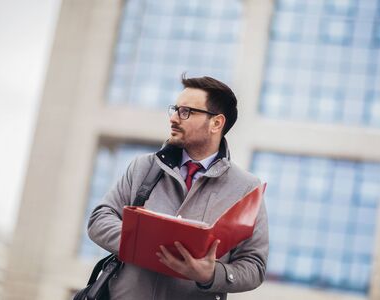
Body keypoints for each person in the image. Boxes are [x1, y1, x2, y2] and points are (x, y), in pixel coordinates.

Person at [88, 75, 269, 300]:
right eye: (175, 109)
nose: (174, 118)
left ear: (216, 123)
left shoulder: (247, 188)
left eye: (186, 112)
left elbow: (254, 266)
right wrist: (146, 245)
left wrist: (210, 274)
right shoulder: (144, 167)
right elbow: (99, 219)